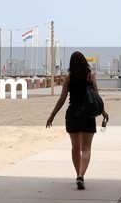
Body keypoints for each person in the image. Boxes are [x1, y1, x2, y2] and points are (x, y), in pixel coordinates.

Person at [46, 51, 110, 189]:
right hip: (88, 115)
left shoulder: (68, 79)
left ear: (71, 64)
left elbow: (62, 99)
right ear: (84, 62)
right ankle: (81, 175)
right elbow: (96, 98)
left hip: (73, 114)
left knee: (75, 147)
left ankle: (77, 175)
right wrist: (103, 112)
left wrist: (52, 115)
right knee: (86, 148)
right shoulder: (90, 76)